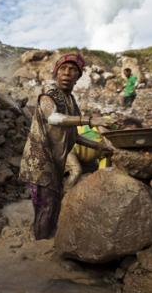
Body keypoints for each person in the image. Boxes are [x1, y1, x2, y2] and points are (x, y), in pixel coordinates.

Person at [19, 53, 113, 240]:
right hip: (40, 159)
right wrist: (89, 120)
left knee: (52, 205)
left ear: (78, 77)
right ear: (56, 73)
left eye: (72, 70)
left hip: (55, 161)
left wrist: (98, 146)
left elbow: (74, 135)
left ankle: (44, 239)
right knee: (47, 205)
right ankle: (40, 246)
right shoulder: (49, 95)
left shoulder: (71, 102)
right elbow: (54, 118)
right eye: (63, 69)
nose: (67, 73)